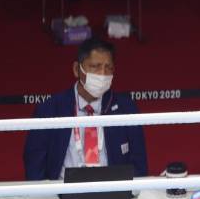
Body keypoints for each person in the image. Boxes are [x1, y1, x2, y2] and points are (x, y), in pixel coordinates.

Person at [23, 37, 148, 180]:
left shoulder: (126, 108)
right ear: (77, 69)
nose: (102, 74)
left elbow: (139, 166)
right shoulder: (50, 109)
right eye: (95, 66)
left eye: (108, 68)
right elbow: (34, 165)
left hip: (113, 193)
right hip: (61, 194)